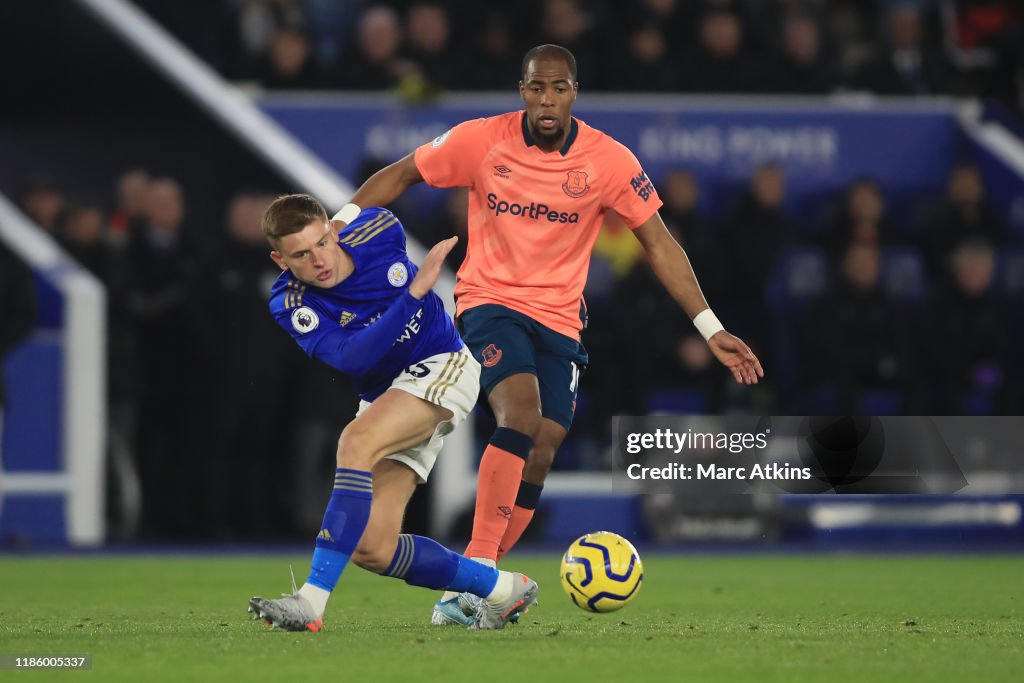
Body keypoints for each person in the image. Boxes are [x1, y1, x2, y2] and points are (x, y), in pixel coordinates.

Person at [330, 43, 763, 626]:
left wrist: (710, 326)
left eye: (558, 88)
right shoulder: (481, 141)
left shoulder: (609, 161)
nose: (547, 99)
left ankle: (483, 595)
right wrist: (337, 229)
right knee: (522, 414)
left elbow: (659, 243)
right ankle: (479, 572)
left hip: (561, 319)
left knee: (543, 449)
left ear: (574, 92)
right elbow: (402, 174)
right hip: (488, 303)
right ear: (522, 91)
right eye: (537, 88)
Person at [248, 194, 538, 632]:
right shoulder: (287, 301)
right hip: (386, 395)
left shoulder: (379, 230)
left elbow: (390, 184)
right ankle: (501, 589)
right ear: (280, 260)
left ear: (334, 230)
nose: (319, 261)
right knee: (372, 548)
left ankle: (311, 601)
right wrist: (414, 294)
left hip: (444, 365)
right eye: (301, 255)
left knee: (355, 441)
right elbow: (352, 358)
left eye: (322, 243)